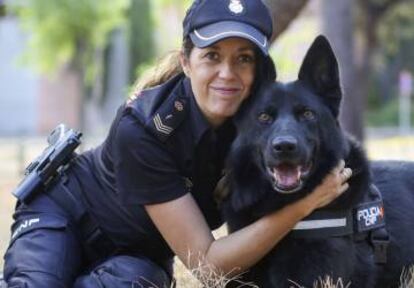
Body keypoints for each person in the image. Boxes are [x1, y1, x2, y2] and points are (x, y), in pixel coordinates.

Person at [3, 0, 352, 287]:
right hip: (66, 215)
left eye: (243, 58)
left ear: (259, 70)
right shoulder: (142, 129)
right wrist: (301, 206)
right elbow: (210, 268)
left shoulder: (262, 125)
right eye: (212, 56)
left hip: (136, 255)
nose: (227, 73)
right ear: (186, 61)